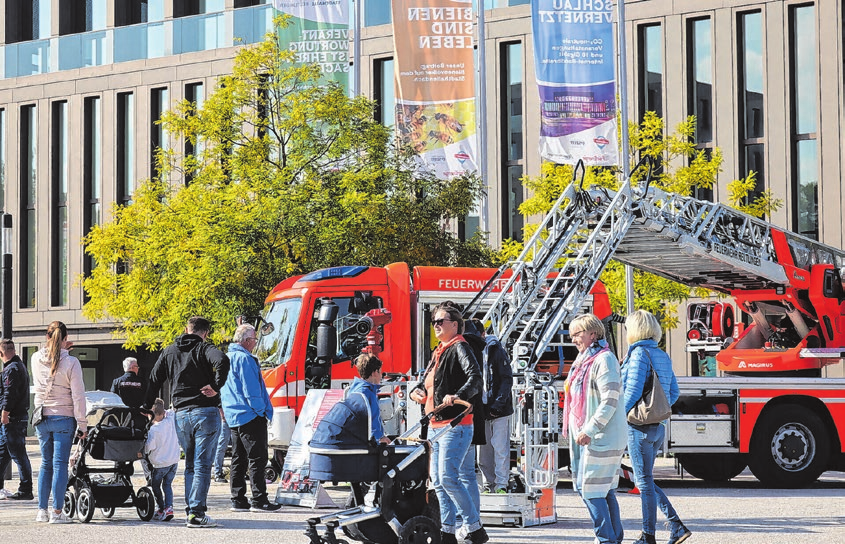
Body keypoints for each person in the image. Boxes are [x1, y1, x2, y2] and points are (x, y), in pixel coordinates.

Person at [410, 303, 487, 544]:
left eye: (441, 321)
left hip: (456, 424)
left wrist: (457, 395)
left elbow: (475, 378)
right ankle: (447, 532)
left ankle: (475, 529)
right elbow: (425, 383)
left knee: (448, 478)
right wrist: (417, 392)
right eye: (434, 321)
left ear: (455, 324)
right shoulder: (439, 351)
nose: (436, 325)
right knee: (440, 482)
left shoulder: (460, 347)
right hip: (437, 424)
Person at [145, 316, 230, 528]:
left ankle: (191, 511)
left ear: (186, 329)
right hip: (205, 412)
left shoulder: (170, 351)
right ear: (206, 333)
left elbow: (154, 378)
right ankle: (197, 513)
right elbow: (222, 360)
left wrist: (147, 407)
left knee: (190, 464)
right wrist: (216, 385)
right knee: (202, 465)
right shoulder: (204, 349)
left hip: (181, 414)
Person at [622, 309, 691, 544]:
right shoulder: (662, 354)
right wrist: (657, 410)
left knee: (643, 482)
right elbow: (673, 392)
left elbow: (631, 391)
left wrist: (618, 417)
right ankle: (675, 526)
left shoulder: (639, 354)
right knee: (646, 480)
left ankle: (649, 535)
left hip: (638, 426)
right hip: (657, 426)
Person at [563, 314, 626, 544]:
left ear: (593, 334)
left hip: (601, 436)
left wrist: (590, 428)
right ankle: (614, 538)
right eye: (571, 335)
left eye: (577, 334)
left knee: (590, 490)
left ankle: (606, 539)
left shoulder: (604, 359)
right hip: (589, 435)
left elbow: (610, 399)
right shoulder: (584, 359)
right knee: (603, 490)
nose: (573, 340)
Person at [31, 321, 87, 523]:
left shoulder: (35, 358)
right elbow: (78, 396)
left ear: (47, 337)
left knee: (45, 464)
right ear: (64, 339)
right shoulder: (72, 362)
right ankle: (57, 512)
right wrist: (83, 424)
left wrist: (61, 349)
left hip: (42, 416)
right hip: (64, 417)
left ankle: (42, 510)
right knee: (60, 465)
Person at [220, 323, 280, 513]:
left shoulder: (227, 358)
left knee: (239, 458)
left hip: (234, 415)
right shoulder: (245, 359)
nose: (255, 342)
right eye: (254, 339)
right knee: (258, 458)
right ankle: (259, 500)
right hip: (250, 414)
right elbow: (251, 390)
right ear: (246, 341)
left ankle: (237, 499)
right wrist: (261, 410)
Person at [471, 319, 513, 495]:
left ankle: (502, 484)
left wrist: (498, 403)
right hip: (482, 407)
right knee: (484, 449)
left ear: (482, 335)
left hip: (499, 407)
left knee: (500, 446)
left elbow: (505, 378)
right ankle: (489, 484)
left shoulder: (496, 350)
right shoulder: (471, 349)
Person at [0, 339, 34, 500]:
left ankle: (26, 489)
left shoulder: (12, 369)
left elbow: (9, 393)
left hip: (12, 418)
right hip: (15, 418)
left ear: (1, 353)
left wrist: (4, 414)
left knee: (18, 454)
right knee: (3, 453)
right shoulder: (18, 366)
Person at [145, 398, 179, 522]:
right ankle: (169, 508)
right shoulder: (170, 420)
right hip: (173, 461)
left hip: (160, 464)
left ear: (150, 415)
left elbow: (149, 447)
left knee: (156, 486)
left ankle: (160, 507)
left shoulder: (154, 430)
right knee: (167, 485)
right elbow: (171, 411)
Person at [346, 353, 391, 445]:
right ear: (374, 373)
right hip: (368, 443)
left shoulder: (354, 389)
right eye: (380, 372)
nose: (381, 376)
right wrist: (380, 438)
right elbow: (372, 419)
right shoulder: (368, 393)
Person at [213, 412, 231, 483]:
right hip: (225, 419)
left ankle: (240, 472)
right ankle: (217, 473)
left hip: (233, 417)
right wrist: (222, 415)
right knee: (221, 447)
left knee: (238, 445)